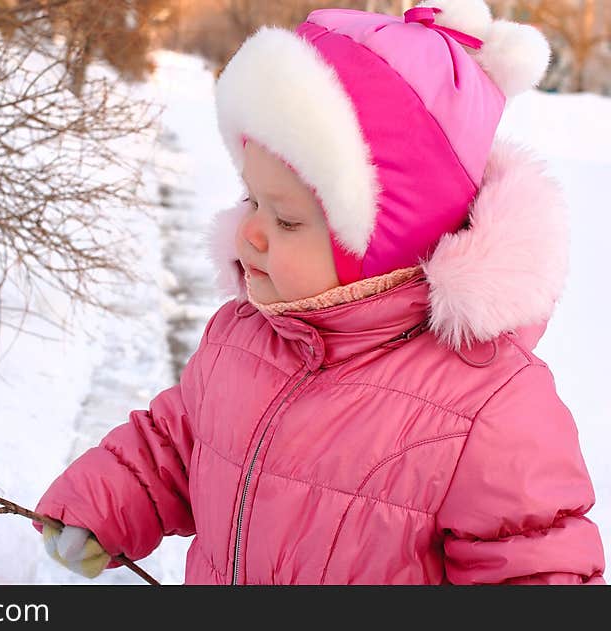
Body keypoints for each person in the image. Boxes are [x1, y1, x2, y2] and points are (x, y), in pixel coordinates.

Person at [32, 0, 606, 584]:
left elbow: (534, 567)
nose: (248, 231)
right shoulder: (245, 337)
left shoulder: (488, 411)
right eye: (250, 199)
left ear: (386, 245)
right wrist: (103, 503)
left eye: (285, 220)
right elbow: (180, 446)